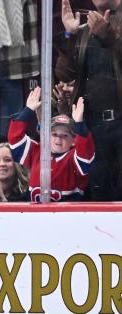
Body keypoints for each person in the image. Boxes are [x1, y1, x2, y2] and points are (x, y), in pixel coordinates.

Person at [56, 0, 122, 200]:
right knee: (97, 193)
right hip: (93, 126)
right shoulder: (85, 29)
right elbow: (64, 75)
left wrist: (109, 38)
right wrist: (70, 35)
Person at [8, 86, 95, 202]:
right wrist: (27, 111)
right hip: (34, 217)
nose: (58, 139)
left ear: (74, 141)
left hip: (67, 218)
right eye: (54, 134)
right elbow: (15, 140)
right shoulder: (37, 151)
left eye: (65, 135)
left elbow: (86, 158)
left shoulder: (73, 158)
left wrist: (79, 124)